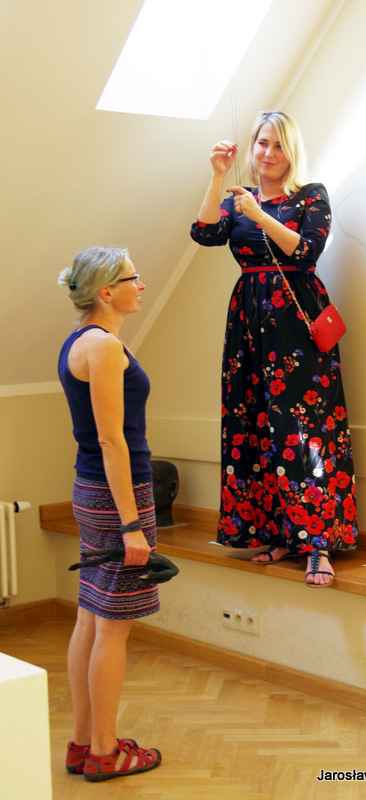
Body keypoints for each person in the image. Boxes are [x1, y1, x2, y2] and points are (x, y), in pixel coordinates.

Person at [190, 110, 358, 587]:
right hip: (248, 320)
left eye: (278, 145)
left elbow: (306, 252)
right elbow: (204, 233)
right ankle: (279, 533)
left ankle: (318, 543)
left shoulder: (311, 195)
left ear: (292, 151)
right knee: (256, 422)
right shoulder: (237, 197)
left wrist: (259, 215)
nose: (268, 153)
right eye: (262, 142)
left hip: (296, 321)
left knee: (305, 428)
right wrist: (218, 175)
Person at [57, 247, 162, 781]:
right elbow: (110, 440)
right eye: (132, 278)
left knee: (90, 617)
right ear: (106, 292)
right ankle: (104, 751)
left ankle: (82, 744)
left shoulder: (81, 341)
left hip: (92, 490)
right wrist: (132, 524)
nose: (141, 285)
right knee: (114, 627)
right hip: (116, 496)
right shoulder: (103, 346)